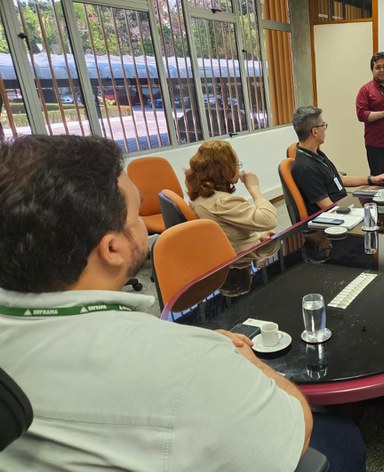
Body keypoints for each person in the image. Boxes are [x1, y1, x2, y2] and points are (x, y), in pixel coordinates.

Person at [0, 135, 365, 471]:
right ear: (113, 248)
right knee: (344, 438)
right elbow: (295, 429)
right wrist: (247, 363)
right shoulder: (188, 363)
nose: (145, 224)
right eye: (135, 215)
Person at [291, 106, 384, 216]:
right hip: (333, 218)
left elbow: (339, 179)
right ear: (314, 131)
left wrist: (372, 179)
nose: (325, 129)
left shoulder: (315, 153)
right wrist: (357, 211)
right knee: (378, 213)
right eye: (323, 125)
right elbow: (328, 207)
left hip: (342, 206)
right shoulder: (305, 168)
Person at [186, 139, 277, 253]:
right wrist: (254, 188)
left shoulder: (201, 196)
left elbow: (230, 228)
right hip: (243, 258)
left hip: (238, 249)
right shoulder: (222, 202)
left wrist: (258, 236)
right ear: (226, 169)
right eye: (237, 164)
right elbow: (269, 220)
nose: (238, 168)